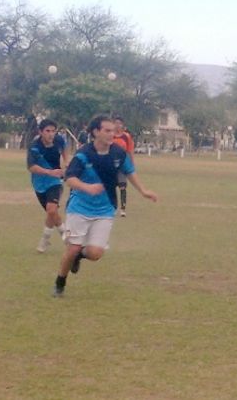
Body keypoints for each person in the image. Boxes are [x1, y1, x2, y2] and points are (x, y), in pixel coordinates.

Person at [52, 115, 158, 298]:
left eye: (113, 131)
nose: (112, 134)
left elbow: (130, 171)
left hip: (105, 209)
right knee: (72, 248)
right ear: (96, 132)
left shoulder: (118, 153)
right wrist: (87, 187)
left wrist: (143, 191)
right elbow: (70, 178)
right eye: (107, 131)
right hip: (79, 208)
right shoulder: (84, 154)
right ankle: (60, 282)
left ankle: (79, 256)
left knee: (95, 254)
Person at [27, 119, 69, 253]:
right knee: (52, 213)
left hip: (55, 181)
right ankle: (49, 238)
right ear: (40, 132)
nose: (51, 134)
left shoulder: (59, 140)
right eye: (47, 131)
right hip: (39, 184)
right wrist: (49, 172)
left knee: (51, 209)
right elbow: (31, 167)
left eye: (53, 131)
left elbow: (65, 148)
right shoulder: (35, 146)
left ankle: (63, 238)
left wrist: (66, 162)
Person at [111, 116, 135, 217]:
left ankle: (123, 209)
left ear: (122, 125)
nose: (117, 125)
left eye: (119, 123)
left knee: (122, 186)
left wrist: (131, 163)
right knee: (111, 187)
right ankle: (113, 207)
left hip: (122, 165)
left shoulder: (126, 136)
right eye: (116, 123)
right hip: (111, 165)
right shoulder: (110, 135)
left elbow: (130, 151)